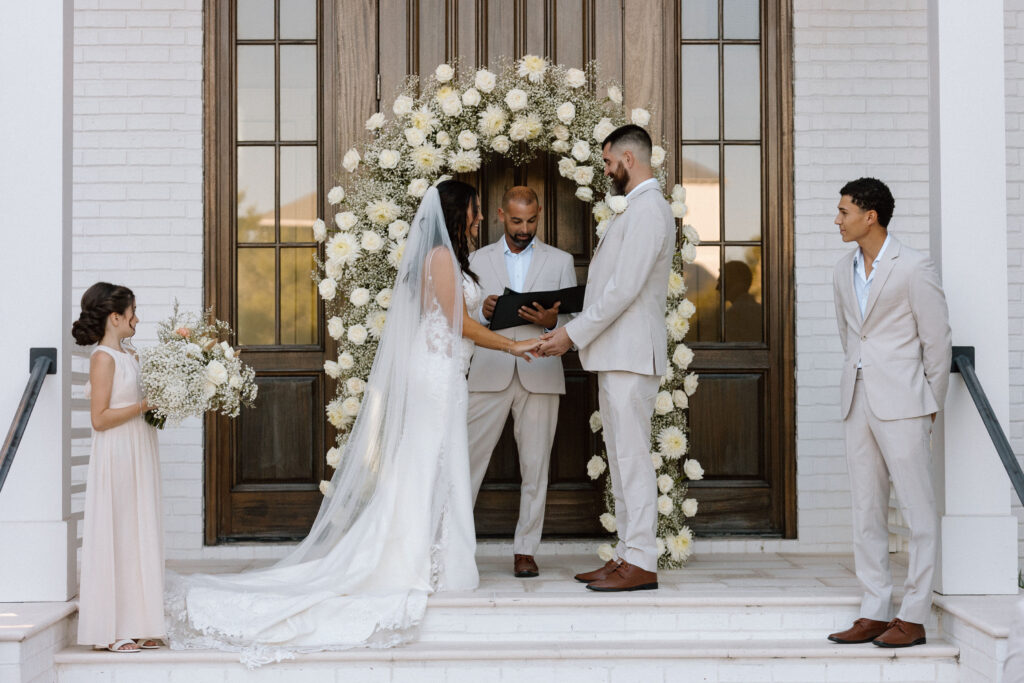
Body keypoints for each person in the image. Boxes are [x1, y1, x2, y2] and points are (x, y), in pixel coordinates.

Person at [165, 180, 540, 665]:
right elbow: (454, 322)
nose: (478, 217)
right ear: (456, 212)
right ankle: (416, 561)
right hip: (437, 377)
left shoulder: (450, 259)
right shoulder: (442, 260)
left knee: (435, 464)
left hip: (447, 374)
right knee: (429, 462)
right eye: (472, 210)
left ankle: (435, 558)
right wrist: (512, 345)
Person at [538, 125, 675, 592]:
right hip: (618, 352)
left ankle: (642, 562)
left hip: (631, 354)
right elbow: (609, 287)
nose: (606, 169)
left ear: (628, 158)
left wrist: (570, 336)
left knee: (632, 457)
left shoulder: (649, 210)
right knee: (620, 457)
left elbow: (623, 289)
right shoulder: (637, 208)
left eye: (608, 161)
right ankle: (625, 554)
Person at [827, 177, 951, 648]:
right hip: (856, 399)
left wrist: (929, 404)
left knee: (919, 512)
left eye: (844, 212)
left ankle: (914, 615)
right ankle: (875, 609)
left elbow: (937, 342)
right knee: (866, 509)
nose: (837, 220)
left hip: (904, 403)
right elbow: (849, 336)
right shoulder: (842, 270)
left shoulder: (915, 266)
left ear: (870, 215)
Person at [466, 185, 576, 578]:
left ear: (540, 214)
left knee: (536, 467)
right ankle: (455, 544)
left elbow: (574, 320)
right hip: (488, 370)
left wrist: (552, 322)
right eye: (516, 221)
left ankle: (526, 550)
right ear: (500, 215)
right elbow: (461, 315)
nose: (524, 229)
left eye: (531, 221)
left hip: (541, 371)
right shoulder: (476, 258)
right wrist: (483, 308)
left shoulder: (560, 259)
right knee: (467, 464)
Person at [72, 283, 165, 653]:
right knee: (118, 531)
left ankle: (141, 620)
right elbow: (100, 418)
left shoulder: (130, 354)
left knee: (138, 530)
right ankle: (110, 628)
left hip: (139, 447)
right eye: (132, 313)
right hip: (117, 453)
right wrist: (145, 405)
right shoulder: (102, 359)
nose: (136, 319)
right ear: (115, 317)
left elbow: (142, 402)